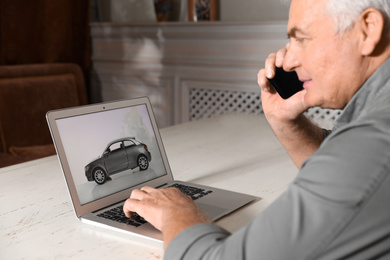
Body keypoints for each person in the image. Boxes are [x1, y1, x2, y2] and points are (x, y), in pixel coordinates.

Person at [123, 0, 390, 258]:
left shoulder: (374, 141)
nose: (289, 60)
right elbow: (357, 189)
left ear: (368, 29)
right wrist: (286, 122)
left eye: (302, 39)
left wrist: (177, 213)